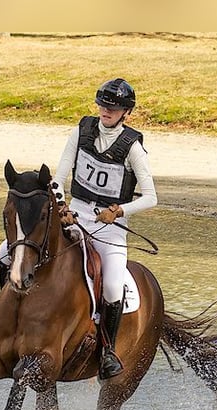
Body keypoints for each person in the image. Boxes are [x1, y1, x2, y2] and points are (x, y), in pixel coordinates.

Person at [51, 78, 158, 379]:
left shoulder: (133, 148)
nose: (106, 111)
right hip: (75, 216)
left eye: (113, 107)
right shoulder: (81, 131)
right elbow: (58, 178)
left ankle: (108, 350)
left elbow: (151, 197)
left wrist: (119, 211)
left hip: (111, 228)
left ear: (126, 112)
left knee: (112, 286)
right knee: (11, 252)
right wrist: (61, 206)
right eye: (103, 105)